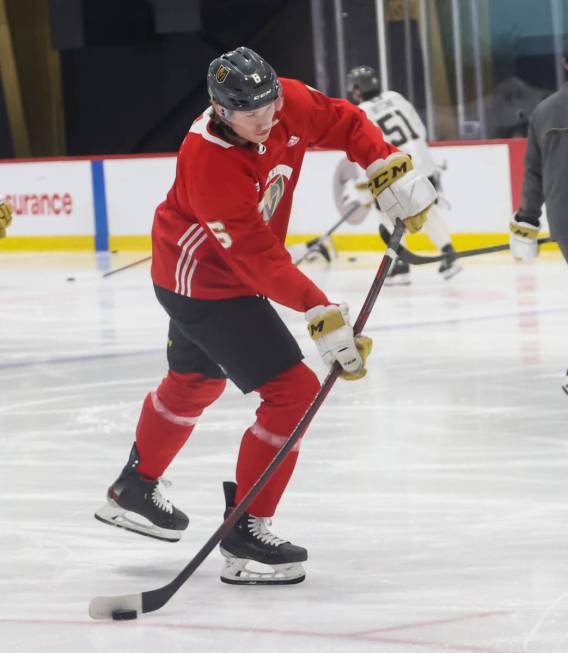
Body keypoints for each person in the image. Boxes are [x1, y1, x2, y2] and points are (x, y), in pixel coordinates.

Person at [94, 47, 436, 585]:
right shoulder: (207, 159)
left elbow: (345, 120)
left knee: (193, 382)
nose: (266, 117)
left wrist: (383, 164)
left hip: (199, 273)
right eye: (249, 111)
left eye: (269, 101)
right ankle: (246, 532)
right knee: (293, 392)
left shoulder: (284, 103)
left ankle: (134, 488)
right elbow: (256, 258)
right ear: (219, 110)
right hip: (204, 283)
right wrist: (319, 310)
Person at [333, 65, 461, 285]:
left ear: (357, 90)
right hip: (421, 161)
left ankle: (401, 265)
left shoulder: (360, 111)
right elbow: (420, 129)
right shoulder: (396, 97)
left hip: (394, 167)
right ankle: (449, 253)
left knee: (385, 215)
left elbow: (363, 149)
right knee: (427, 208)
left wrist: (365, 191)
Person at [509, 51, 568, 267]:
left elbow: (534, 174)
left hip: (563, 221)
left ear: (565, 64)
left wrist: (526, 220)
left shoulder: (543, 112)